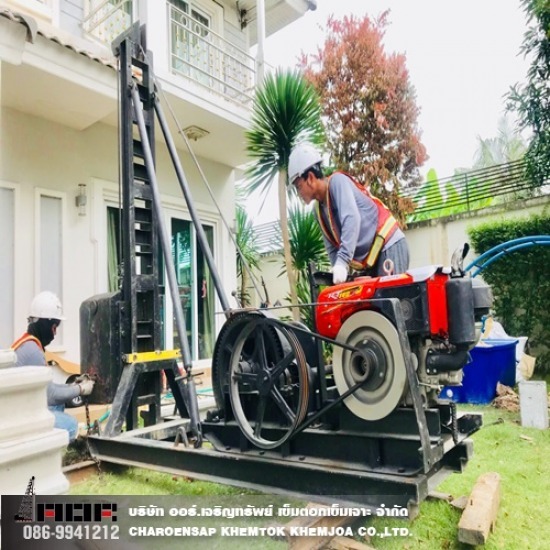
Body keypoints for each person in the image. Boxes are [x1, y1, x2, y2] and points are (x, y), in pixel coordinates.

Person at [288, 143, 410, 284]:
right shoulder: (318, 211)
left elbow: (351, 219)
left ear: (310, 178)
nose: (299, 193)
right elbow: (332, 247)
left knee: (389, 296)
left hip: (388, 245)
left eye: (299, 186)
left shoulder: (337, 182)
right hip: (371, 260)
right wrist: (338, 269)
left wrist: (343, 261)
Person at [11, 291, 94, 443]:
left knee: (58, 406)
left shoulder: (27, 343)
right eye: (54, 327)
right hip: (17, 418)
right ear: (45, 324)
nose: (54, 333)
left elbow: (49, 388)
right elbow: (50, 395)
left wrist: (72, 386)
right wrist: (81, 389)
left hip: (20, 408)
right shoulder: (33, 352)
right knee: (71, 426)